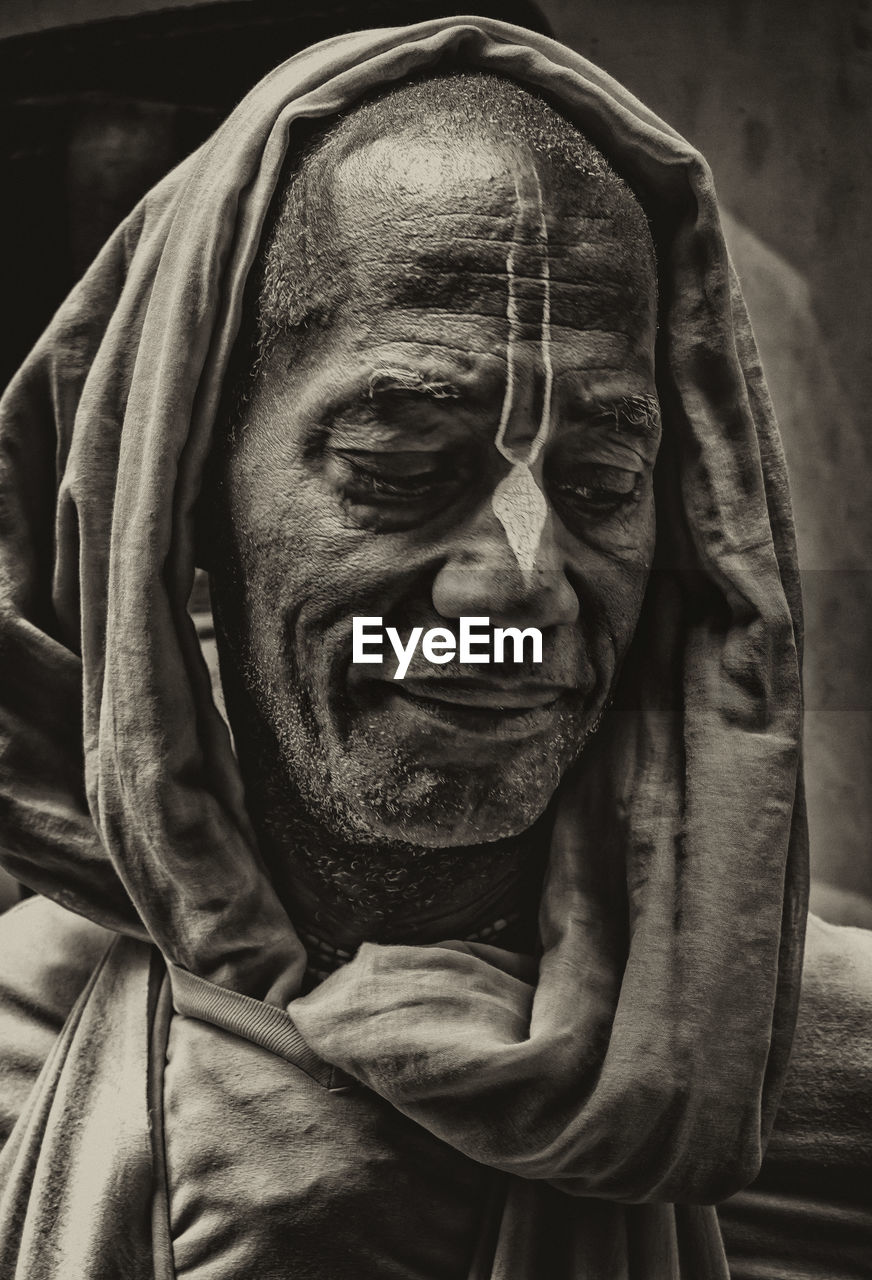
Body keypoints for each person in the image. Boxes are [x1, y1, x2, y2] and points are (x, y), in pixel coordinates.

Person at [0, 17, 868, 1279]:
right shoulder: (23, 1050)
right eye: (399, 466)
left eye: (604, 479)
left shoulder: (811, 1084)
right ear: (182, 520)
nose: (519, 581)